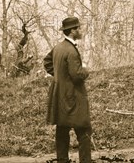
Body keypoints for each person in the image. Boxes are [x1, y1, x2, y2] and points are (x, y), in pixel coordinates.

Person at [44, 17, 91, 163]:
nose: (80, 31)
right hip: (73, 97)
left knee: (62, 130)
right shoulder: (71, 50)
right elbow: (77, 76)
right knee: (84, 130)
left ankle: (62, 160)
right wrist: (86, 70)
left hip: (59, 96)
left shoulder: (58, 47)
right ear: (72, 31)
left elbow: (47, 62)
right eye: (78, 28)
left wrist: (59, 75)